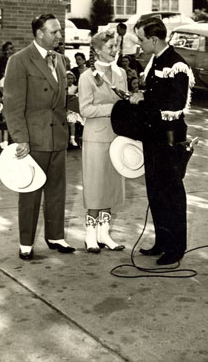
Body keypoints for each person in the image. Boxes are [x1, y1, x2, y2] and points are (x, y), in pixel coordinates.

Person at [4, 13, 75, 260]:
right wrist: (20, 138)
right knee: (31, 192)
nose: (59, 36)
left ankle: (55, 236)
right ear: (39, 33)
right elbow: (12, 105)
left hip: (57, 136)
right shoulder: (19, 60)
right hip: (33, 139)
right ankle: (26, 242)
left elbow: (63, 99)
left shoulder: (61, 60)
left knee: (57, 191)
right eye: (54, 32)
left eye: (59, 31)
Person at [130, 17, 195, 266]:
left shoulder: (176, 65)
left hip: (169, 138)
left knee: (171, 191)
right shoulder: (156, 60)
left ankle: (176, 247)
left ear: (154, 39)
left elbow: (176, 104)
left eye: (141, 39)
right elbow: (158, 94)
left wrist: (144, 100)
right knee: (155, 190)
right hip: (154, 135)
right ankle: (162, 241)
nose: (139, 44)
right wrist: (142, 95)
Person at [78, 30, 127, 253]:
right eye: (110, 47)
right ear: (97, 50)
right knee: (95, 186)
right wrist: (113, 109)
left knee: (110, 186)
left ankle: (104, 233)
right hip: (95, 138)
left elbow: (125, 103)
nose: (114, 50)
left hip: (116, 138)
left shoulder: (121, 73)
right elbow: (85, 109)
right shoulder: (86, 76)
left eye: (116, 45)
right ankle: (90, 235)